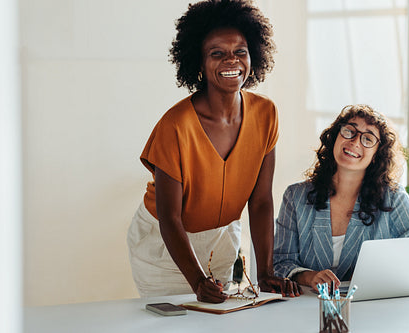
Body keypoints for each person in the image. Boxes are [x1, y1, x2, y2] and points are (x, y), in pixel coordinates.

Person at [127, 0, 300, 303]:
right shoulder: (175, 126)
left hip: (221, 241)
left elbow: (260, 203)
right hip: (164, 245)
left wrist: (266, 273)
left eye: (240, 52)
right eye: (216, 53)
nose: (231, 61)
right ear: (198, 62)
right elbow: (170, 216)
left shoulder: (265, 114)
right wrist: (196, 281)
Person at [273, 104, 409, 291]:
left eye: (368, 138)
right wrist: (310, 277)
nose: (355, 142)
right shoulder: (295, 197)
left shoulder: (394, 198)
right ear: (335, 137)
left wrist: (375, 275)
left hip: (371, 309)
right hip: (307, 307)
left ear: (376, 154)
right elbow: (280, 263)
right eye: (349, 131)